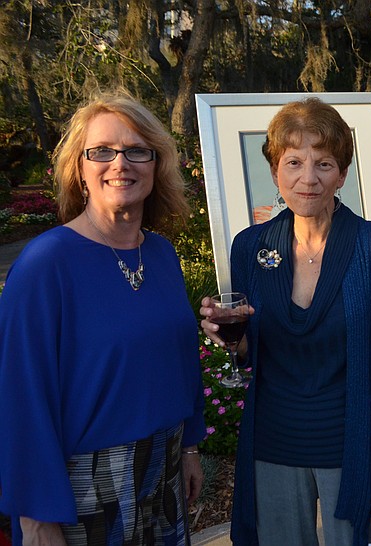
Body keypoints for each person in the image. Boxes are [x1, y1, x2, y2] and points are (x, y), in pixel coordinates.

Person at [200, 97, 371, 546]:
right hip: (273, 440)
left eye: (324, 163)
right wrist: (229, 337)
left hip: (349, 443)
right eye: (294, 162)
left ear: (342, 175)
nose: (308, 177)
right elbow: (251, 352)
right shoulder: (250, 247)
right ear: (275, 170)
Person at [0, 92, 205, 545]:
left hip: (165, 467)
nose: (121, 164)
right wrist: (36, 519)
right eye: (103, 152)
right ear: (79, 168)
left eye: (137, 151)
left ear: (156, 164)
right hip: (86, 484)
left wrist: (190, 446)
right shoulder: (45, 264)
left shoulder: (161, 254)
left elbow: (181, 359)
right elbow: (20, 398)